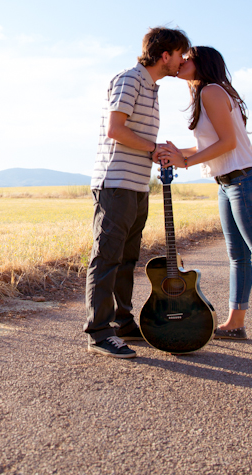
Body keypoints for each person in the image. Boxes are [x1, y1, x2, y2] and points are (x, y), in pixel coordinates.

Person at [159, 46, 252, 361]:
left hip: (244, 181)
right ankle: (235, 323)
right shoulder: (206, 94)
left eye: (187, 58)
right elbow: (210, 146)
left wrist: (186, 161)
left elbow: (229, 143)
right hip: (227, 183)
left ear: (202, 63)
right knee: (238, 258)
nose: (181, 62)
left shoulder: (210, 90)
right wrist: (175, 153)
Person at [85, 27, 190, 359]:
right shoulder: (130, 79)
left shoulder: (152, 88)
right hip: (115, 184)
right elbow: (115, 130)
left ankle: (122, 321)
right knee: (106, 258)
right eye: (180, 54)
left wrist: (155, 153)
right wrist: (154, 148)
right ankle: (99, 332)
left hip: (137, 185)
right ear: (165, 55)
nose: (183, 61)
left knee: (127, 259)